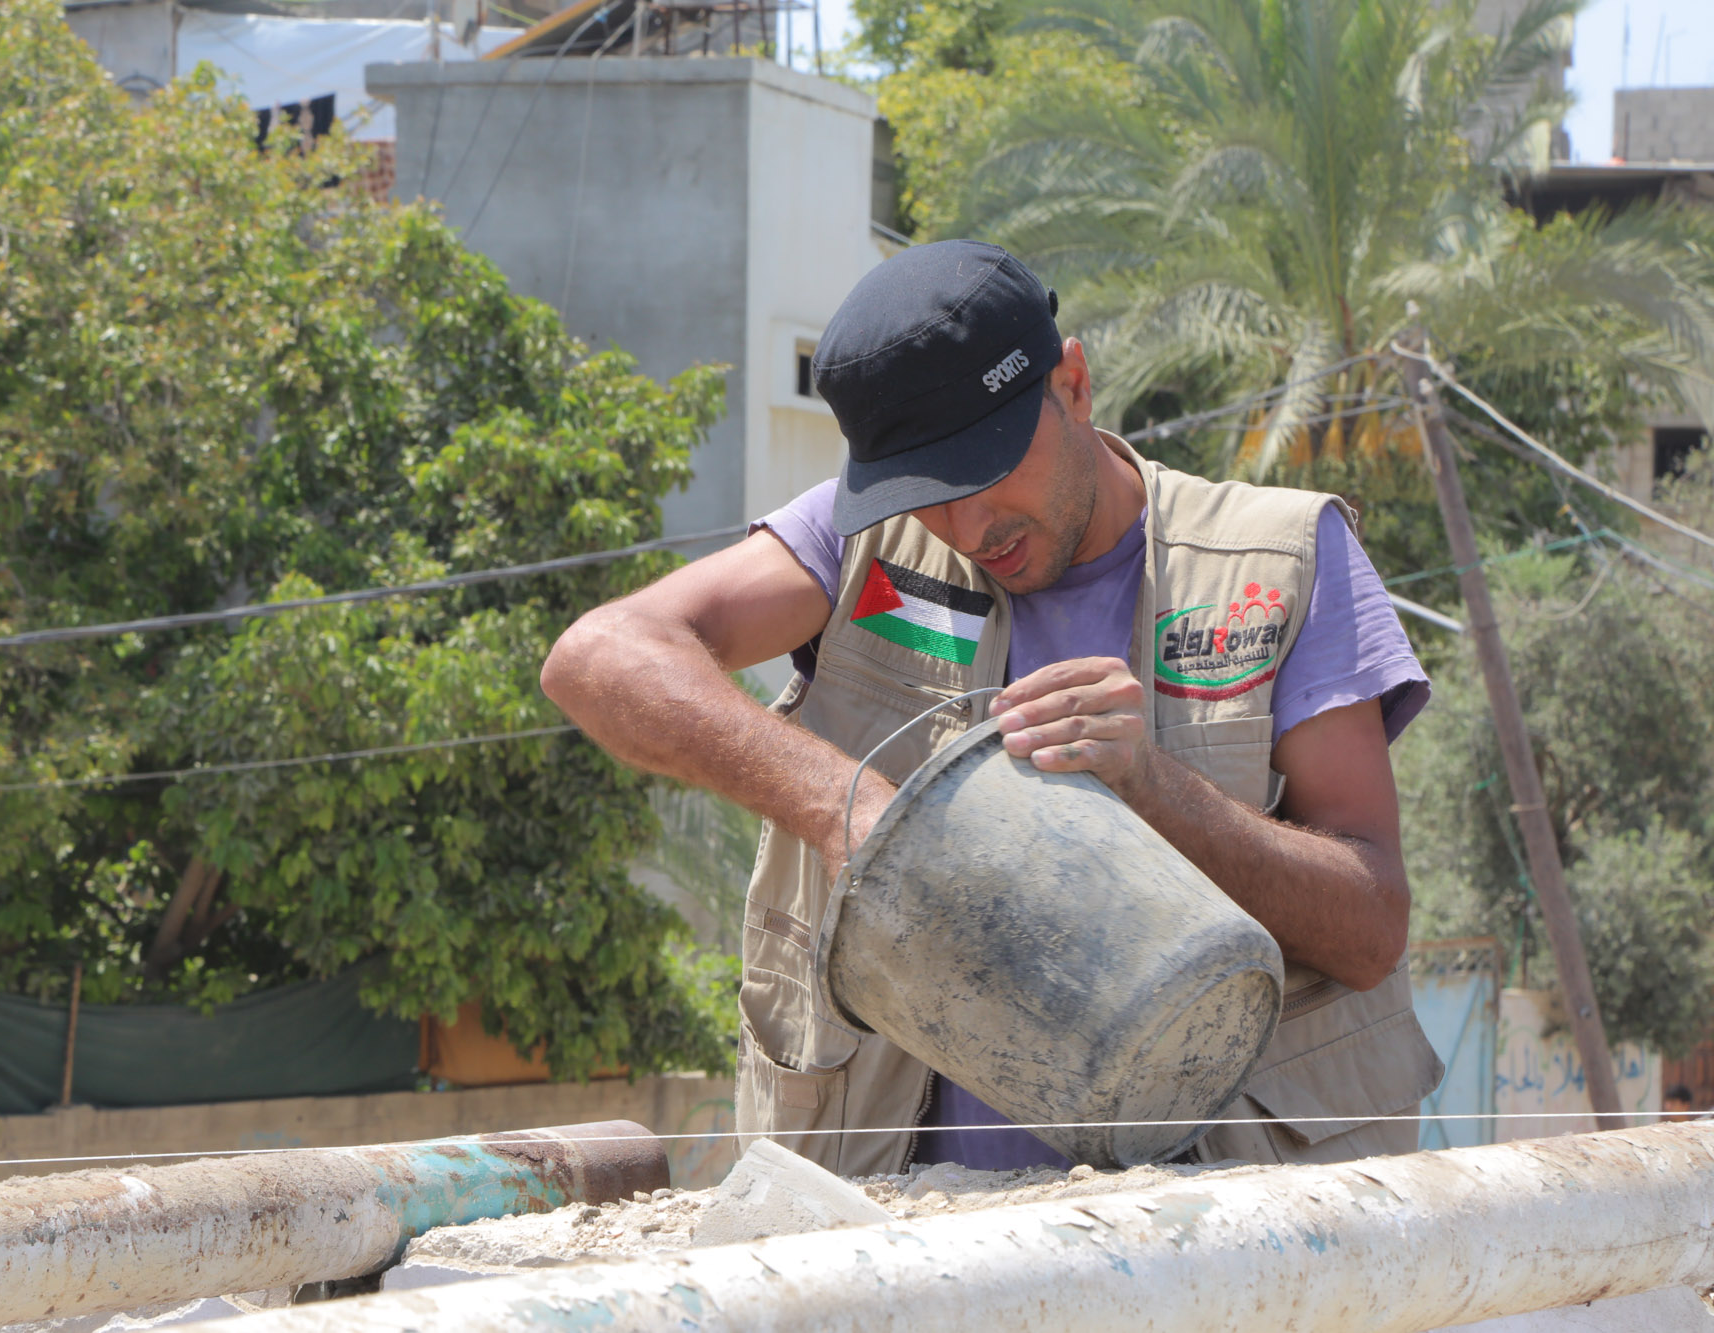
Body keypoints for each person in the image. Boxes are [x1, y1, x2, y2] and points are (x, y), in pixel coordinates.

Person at [542, 240, 1444, 1175]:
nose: (969, 529)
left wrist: (1154, 787)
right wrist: (849, 808)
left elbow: (1371, 930)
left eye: (988, 468)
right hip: (916, 1241)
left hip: (1208, 1239)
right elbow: (597, 656)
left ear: (1074, 384)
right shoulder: (861, 550)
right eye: (929, 495)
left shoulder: (1281, 560)